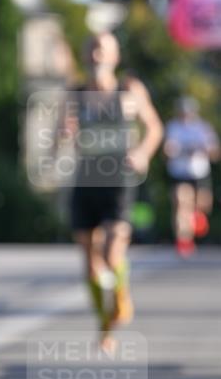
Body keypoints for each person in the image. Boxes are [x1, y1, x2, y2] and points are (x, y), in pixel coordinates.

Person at [61, 33, 163, 352]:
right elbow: (57, 134)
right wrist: (63, 136)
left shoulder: (129, 90)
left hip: (118, 179)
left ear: (115, 57)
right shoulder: (75, 95)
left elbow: (155, 127)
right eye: (91, 48)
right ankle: (105, 328)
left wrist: (143, 153)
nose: (96, 55)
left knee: (112, 252)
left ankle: (121, 297)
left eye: (102, 49)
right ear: (83, 55)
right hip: (85, 179)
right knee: (90, 263)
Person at [163, 97, 219, 257]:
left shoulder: (202, 128)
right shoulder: (173, 127)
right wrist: (170, 150)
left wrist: (205, 149)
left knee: (202, 206)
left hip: (199, 172)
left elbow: (214, 153)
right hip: (180, 173)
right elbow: (167, 150)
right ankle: (184, 241)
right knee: (181, 203)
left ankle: (196, 218)